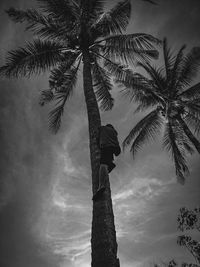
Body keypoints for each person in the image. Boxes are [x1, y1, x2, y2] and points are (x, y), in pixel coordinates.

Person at [92, 124, 121, 201]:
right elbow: (117, 145)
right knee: (108, 160)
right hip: (113, 147)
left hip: (106, 147)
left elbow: (96, 136)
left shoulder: (102, 128)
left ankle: (101, 186)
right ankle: (110, 164)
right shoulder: (114, 132)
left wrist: (98, 144)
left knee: (103, 165)